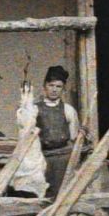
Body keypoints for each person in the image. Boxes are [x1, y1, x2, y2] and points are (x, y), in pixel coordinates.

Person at [34, 63, 82, 199]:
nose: (54, 90)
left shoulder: (68, 110)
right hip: (41, 158)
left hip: (63, 159)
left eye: (58, 86)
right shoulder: (34, 109)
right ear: (44, 86)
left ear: (63, 89)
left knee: (62, 195)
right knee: (41, 196)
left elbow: (73, 136)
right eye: (51, 85)